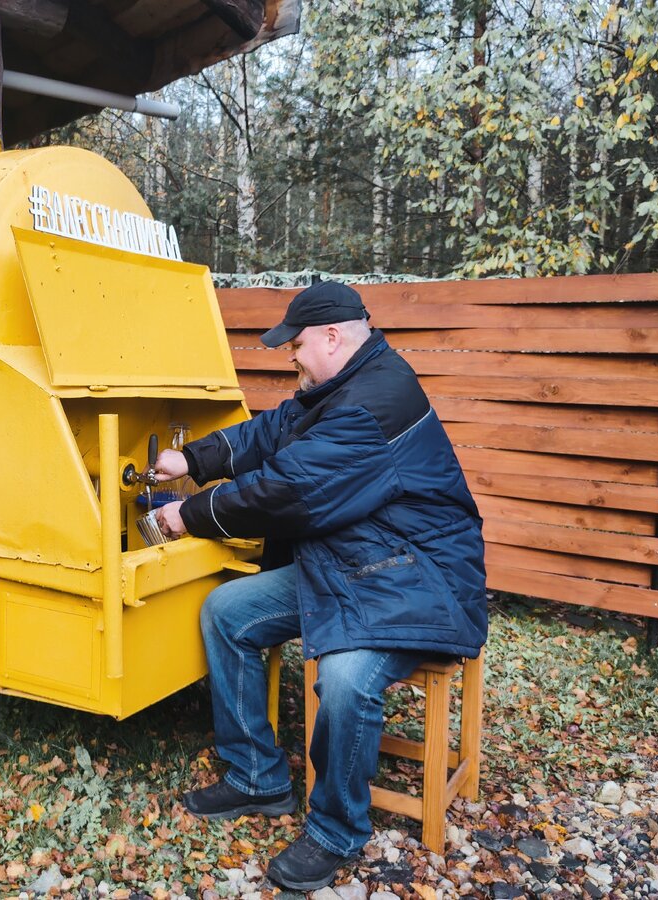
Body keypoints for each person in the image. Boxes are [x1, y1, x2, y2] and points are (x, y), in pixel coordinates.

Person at [152, 280, 487, 892]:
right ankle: (256, 775)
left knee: (344, 677)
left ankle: (335, 829)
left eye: (297, 345)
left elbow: (289, 488)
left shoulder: (372, 402)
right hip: (354, 563)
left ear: (332, 337)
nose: (292, 357)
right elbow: (270, 432)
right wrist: (191, 461)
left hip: (417, 578)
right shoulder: (337, 385)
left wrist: (189, 514)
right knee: (227, 612)